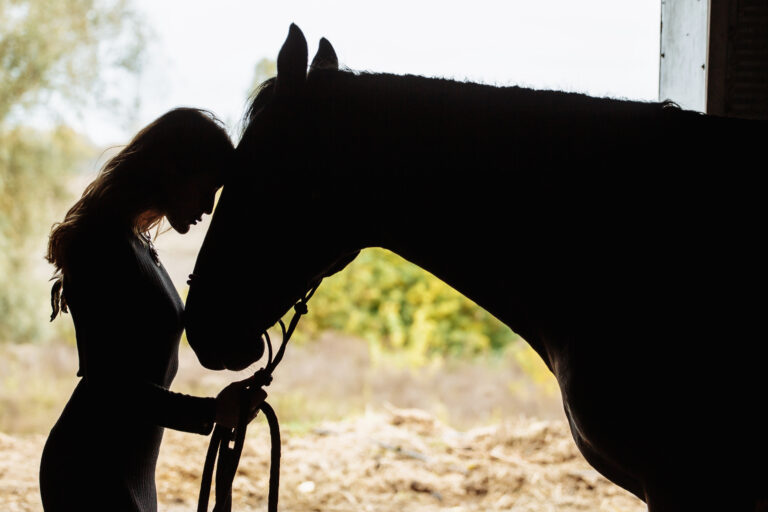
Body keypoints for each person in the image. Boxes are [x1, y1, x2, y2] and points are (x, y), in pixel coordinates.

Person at [40, 108, 260, 511]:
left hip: (126, 469)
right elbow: (110, 385)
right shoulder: (102, 242)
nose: (209, 207)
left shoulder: (135, 243)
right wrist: (212, 411)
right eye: (206, 188)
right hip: (90, 469)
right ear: (174, 170)